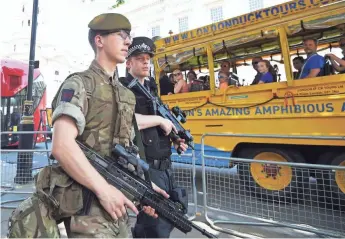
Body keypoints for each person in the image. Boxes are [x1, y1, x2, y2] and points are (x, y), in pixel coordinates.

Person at [7, 13, 168, 238]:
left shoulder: (125, 95)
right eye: (121, 35)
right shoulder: (80, 84)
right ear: (99, 40)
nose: (128, 41)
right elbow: (62, 146)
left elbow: (125, 150)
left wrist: (143, 189)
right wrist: (104, 191)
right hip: (87, 207)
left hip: (115, 207)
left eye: (128, 36)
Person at [120, 36, 188, 238]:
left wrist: (175, 138)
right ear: (129, 62)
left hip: (165, 166)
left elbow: (161, 123)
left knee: (166, 220)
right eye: (140, 58)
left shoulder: (150, 89)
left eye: (148, 58)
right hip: (146, 166)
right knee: (153, 224)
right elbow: (126, 121)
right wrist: (159, 120)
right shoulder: (123, 88)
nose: (146, 62)